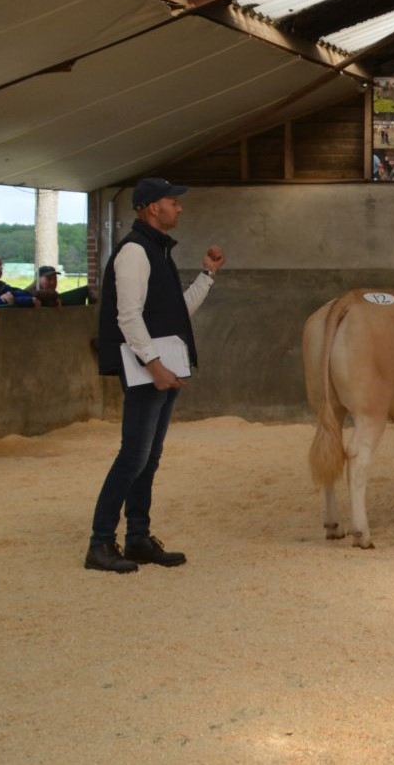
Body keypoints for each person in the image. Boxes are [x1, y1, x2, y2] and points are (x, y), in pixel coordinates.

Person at [87, 178, 225, 574]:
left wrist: (207, 275)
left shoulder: (156, 251)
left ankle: (137, 538)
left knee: (148, 457)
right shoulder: (134, 251)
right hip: (149, 368)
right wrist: (154, 365)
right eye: (172, 202)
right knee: (132, 457)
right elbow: (127, 316)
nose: (179, 208)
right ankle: (99, 543)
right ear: (151, 208)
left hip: (160, 367)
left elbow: (176, 311)